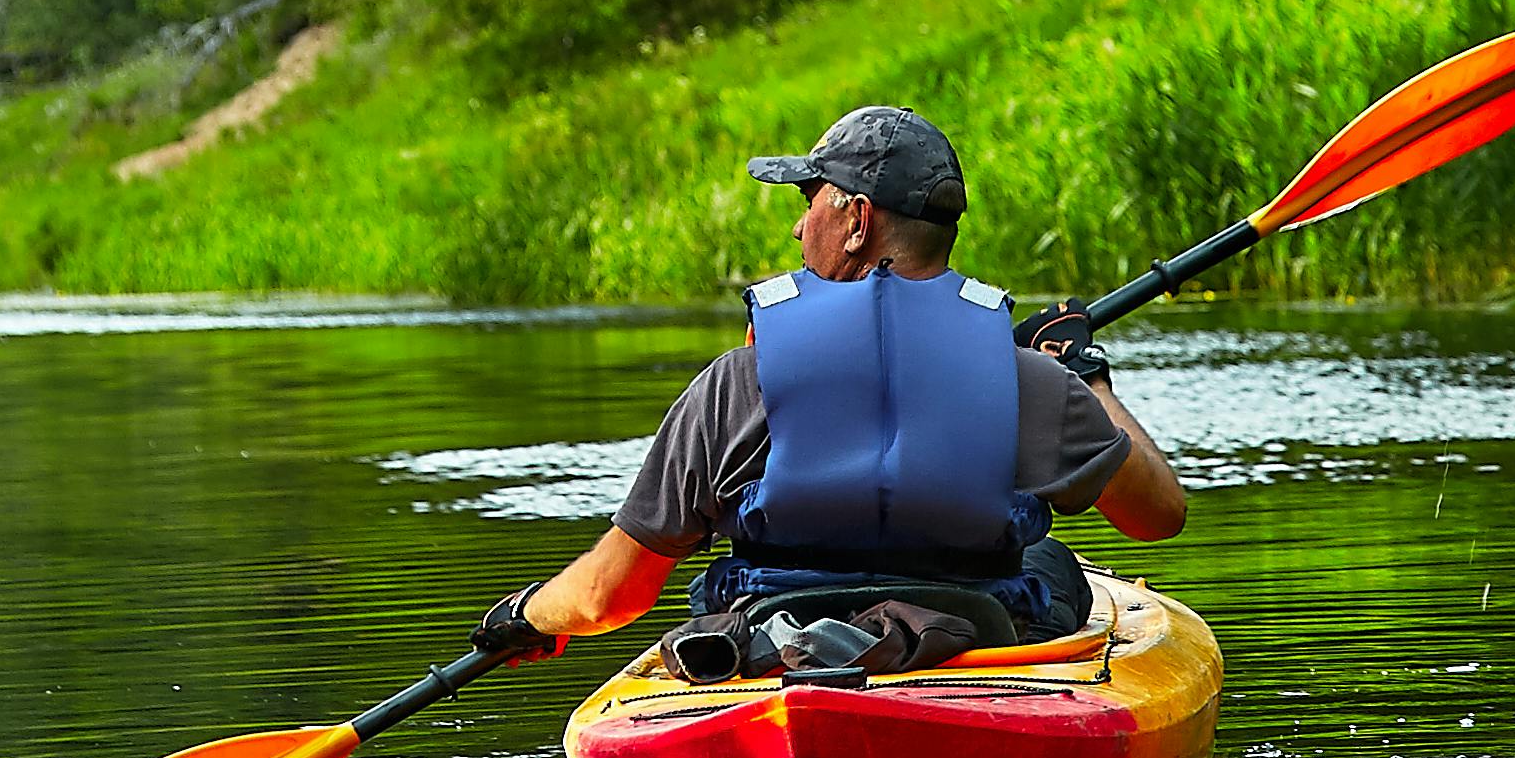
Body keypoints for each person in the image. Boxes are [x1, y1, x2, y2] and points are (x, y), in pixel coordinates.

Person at [470, 103, 1186, 684]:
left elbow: (607, 596)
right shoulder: (1027, 379)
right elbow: (1159, 512)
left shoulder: (735, 384)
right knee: (1052, 564)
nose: (796, 221)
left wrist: (530, 611)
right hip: (968, 638)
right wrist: (1083, 372)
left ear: (857, 220)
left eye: (809, 197)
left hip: (775, 640)